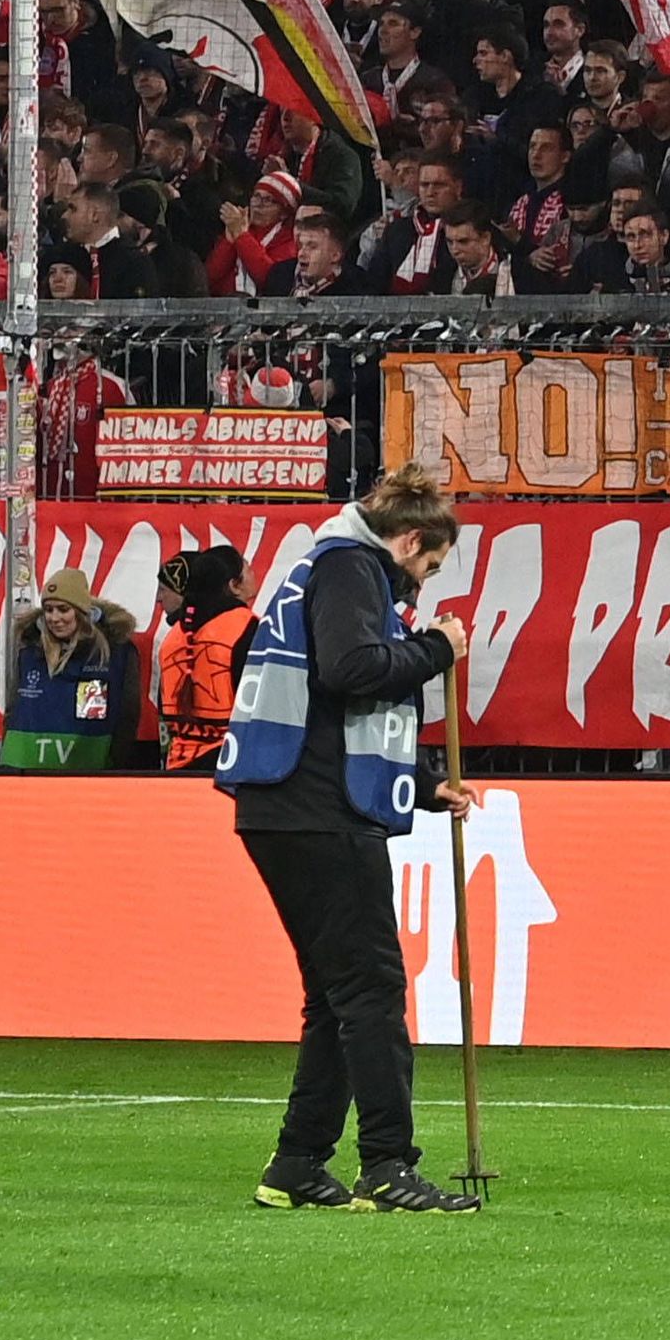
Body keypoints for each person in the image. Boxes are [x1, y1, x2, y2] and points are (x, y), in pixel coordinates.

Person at [220, 464, 484, 1213]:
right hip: (317, 807)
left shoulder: (322, 563)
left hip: (288, 800)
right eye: (427, 567)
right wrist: (438, 648)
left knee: (334, 993)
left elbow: (324, 694)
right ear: (409, 539)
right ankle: (387, 1164)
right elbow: (351, 670)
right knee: (371, 987)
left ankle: (299, 1160)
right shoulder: (350, 567)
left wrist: (426, 782)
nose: (423, 586)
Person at [0, 569, 143, 770]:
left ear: (81, 611)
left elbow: (127, 718)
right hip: (25, 774)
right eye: (48, 610)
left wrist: (114, 765)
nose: (54, 618)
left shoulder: (114, 655)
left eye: (63, 609)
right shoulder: (30, 651)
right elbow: (13, 710)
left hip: (88, 776)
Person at [151, 543, 252, 770]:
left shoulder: (171, 641)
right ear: (233, 585)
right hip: (233, 764)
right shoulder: (246, 628)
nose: (158, 598)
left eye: (163, 589)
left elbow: (166, 716)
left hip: (179, 766)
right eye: (247, 568)